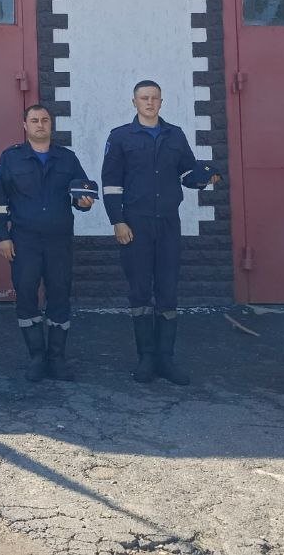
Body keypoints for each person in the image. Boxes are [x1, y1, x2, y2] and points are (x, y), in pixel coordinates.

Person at [101, 80, 219, 386]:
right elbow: (111, 184)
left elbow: (187, 172)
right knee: (140, 290)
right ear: (135, 102)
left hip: (168, 223)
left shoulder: (175, 135)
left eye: (154, 98)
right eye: (144, 98)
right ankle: (146, 358)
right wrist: (117, 221)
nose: (150, 102)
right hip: (135, 224)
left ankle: (166, 359)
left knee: (167, 290)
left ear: (161, 102)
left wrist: (204, 179)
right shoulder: (120, 137)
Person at [0, 104, 96, 383]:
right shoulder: (11, 158)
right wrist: (2, 237)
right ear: (25, 125)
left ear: (51, 124)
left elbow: (80, 194)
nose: (40, 124)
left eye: (45, 120)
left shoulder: (67, 159)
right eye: (34, 120)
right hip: (24, 241)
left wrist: (84, 203)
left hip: (59, 241)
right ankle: (37, 356)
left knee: (60, 294)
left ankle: (56, 358)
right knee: (26, 294)